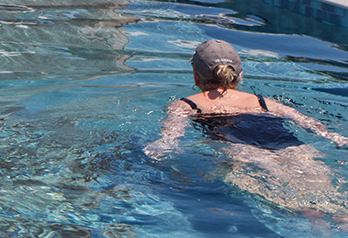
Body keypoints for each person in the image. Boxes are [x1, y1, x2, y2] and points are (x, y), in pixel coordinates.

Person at [146, 39, 347, 217]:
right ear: (239, 75)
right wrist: (334, 137)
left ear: (196, 76)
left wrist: (163, 145)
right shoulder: (263, 102)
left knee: (306, 210)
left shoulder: (187, 105)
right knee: (334, 202)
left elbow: (171, 137)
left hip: (245, 151)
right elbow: (309, 123)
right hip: (293, 147)